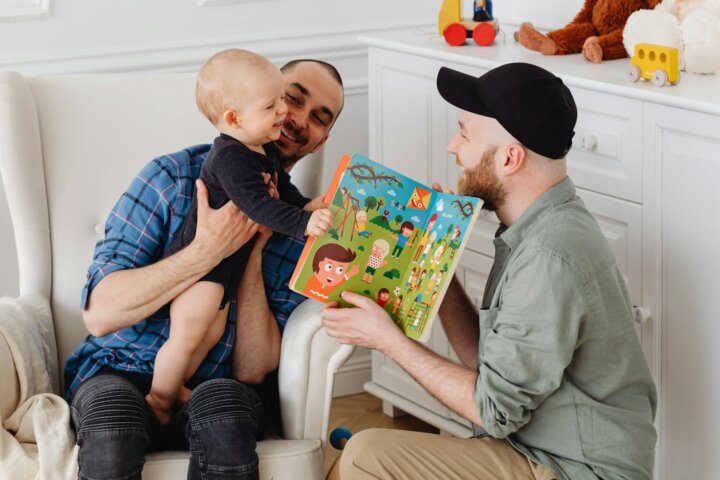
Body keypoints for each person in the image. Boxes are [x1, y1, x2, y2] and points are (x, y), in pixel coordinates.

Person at [322, 63, 657, 480]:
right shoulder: (535, 227)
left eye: (464, 133)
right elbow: (491, 367)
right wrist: (434, 266)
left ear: (510, 158)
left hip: (575, 469)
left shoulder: (550, 256)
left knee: (364, 455)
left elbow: (493, 410)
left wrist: (386, 339)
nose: (451, 146)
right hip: (537, 449)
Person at [64, 58, 344, 480]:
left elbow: (253, 368)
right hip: (119, 368)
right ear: (248, 103)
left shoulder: (299, 228)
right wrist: (205, 251)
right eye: (290, 99)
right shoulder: (174, 177)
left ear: (320, 142)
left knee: (225, 413)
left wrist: (252, 246)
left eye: (319, 118)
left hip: (216, 385)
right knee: (112, 417)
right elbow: (100, 314)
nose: (296, 119)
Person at [145, 49, 333, 424]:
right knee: (188, 333)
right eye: (277, 102)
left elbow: (284, 192)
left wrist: (308, 205)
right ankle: (159, 397)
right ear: (234, 117)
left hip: (224, 275)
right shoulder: (230, 157)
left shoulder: (263, 151)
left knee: (208, 333)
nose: (284, 112)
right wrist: (301, 223)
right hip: (201, 271)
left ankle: (177, 384)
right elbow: (256, 205)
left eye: (281, 99)